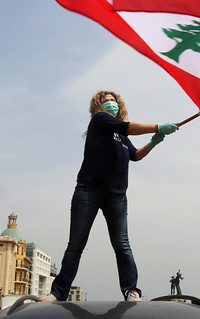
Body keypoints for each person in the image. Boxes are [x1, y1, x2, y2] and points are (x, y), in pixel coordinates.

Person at [42, 91, 179, 302]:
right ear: (99, 106)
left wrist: (153, 142)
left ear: (119, 104)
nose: (109, 103)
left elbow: (134, 156)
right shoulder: (100, 120)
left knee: (122, 245)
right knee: (76, 244)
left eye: (112, 101)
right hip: (89, 190)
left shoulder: (122, 135)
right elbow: (128, 127)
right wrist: (157, 127)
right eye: (105, 101)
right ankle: (57, 293)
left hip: (116, 195)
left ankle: (131, 290)